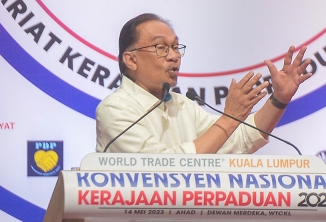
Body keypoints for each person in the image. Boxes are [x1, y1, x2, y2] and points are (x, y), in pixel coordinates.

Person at [95, 13, 312, 154]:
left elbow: (239, 139)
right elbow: (163, 172)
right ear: (131, 59)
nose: (174, 56)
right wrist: (229, 119)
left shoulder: (181, 105)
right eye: (161, 47)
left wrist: (279, 100)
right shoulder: (115, 109)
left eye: (176, 47)